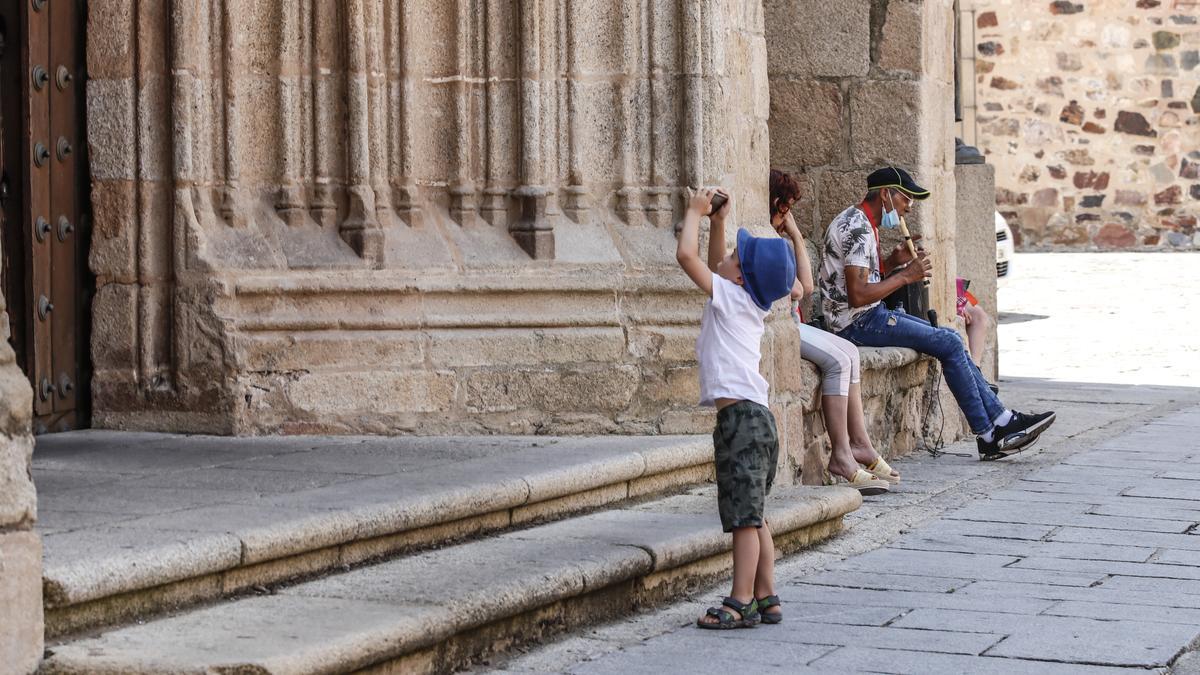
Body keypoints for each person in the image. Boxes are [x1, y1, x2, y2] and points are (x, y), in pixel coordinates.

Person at [818, 166, 1055, 461]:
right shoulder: (858, 228)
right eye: (905, 199)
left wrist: (893, 262)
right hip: (855, 323)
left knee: (949, 336)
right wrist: (906, 277)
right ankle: (991, 431)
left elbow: (865, 278)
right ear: (885, 195)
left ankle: (999, 423)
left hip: (867, 315)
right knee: (950, 343)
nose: (908, 207)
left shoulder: (862, 221)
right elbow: (857, 295)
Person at [676, 187, 795, 629]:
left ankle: (740, 598)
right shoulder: (746, 301)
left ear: (740, 277)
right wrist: (718, 221)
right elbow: (714, 264)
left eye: (732, 256)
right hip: (756, 418)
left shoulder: (730, 298)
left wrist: (693, 212)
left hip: (742, 421)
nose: (723, 257)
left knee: (744, 518)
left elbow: (688, 260)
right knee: (756, 512)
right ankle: (767, 594)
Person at [768, 169, 895, 495]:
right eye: (787, 209)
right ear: (775, 205)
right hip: (779, 326)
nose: (788, 217)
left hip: (792, 322)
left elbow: (804, 288)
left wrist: (794, 235)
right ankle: (841, 454)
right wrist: (789, 237)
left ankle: (860, 444)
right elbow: (802, 288)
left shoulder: (778, 239)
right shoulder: (765, 243)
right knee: (838, 360)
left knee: (849, 352)